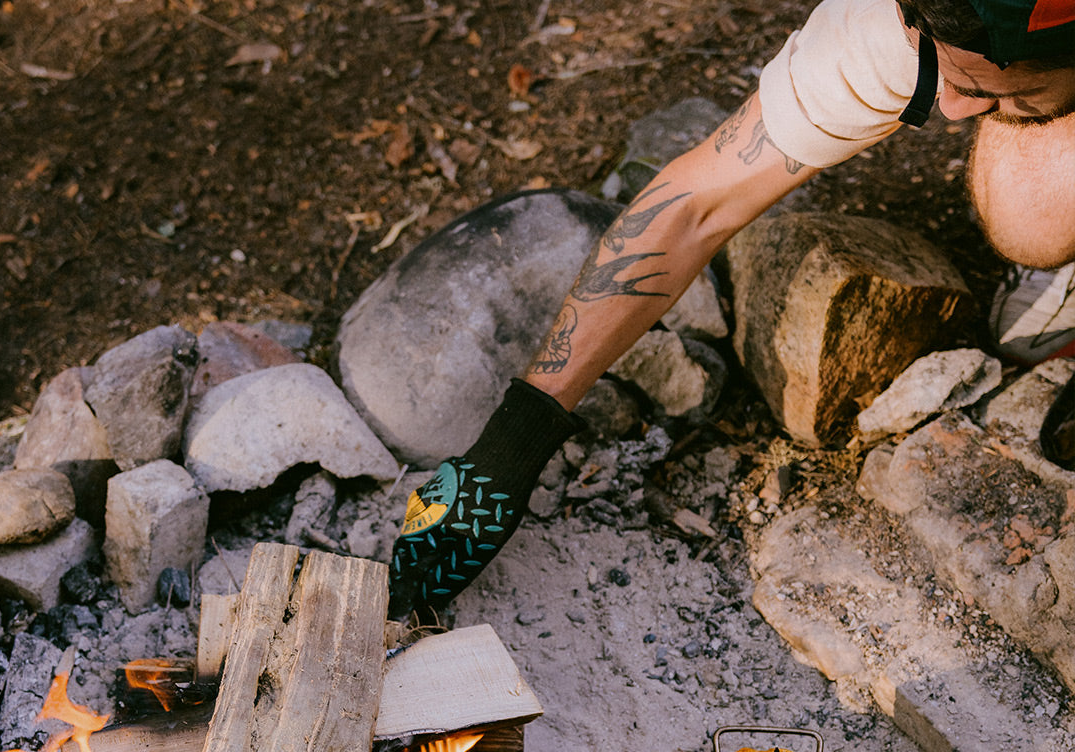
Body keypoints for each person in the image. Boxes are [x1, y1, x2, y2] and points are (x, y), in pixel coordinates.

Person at [387, 0, 1075, 621]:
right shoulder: (888, 31)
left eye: (987, 89)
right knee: (1031, 209)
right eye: (951, 74)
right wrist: (514, 440)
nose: (950, 108)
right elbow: (693, 207)